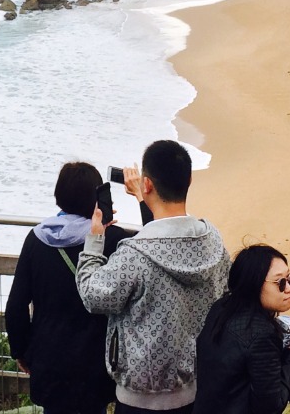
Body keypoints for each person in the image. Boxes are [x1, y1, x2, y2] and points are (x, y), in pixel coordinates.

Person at [76, 140, 230, 414]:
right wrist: (142, 198)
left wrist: (94, 242)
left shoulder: (135, 254)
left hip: (140, 400)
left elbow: (92, 295)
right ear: (190, 179)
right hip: (199, 390)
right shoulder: (213, 241)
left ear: (147, 185)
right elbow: (165, 238)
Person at [5, 162, 138, 414]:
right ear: (97, 198)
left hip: (49, 356)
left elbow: (16, 305)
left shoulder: (37, 238)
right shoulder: (114, 241)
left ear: (59, 196)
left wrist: (21, 350)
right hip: (96, 359)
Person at [194, 245, 290, 414]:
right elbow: (271, 406)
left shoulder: (222, 308)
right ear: (254, 284)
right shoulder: (261, 334)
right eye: (280, 282)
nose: (289, 288)